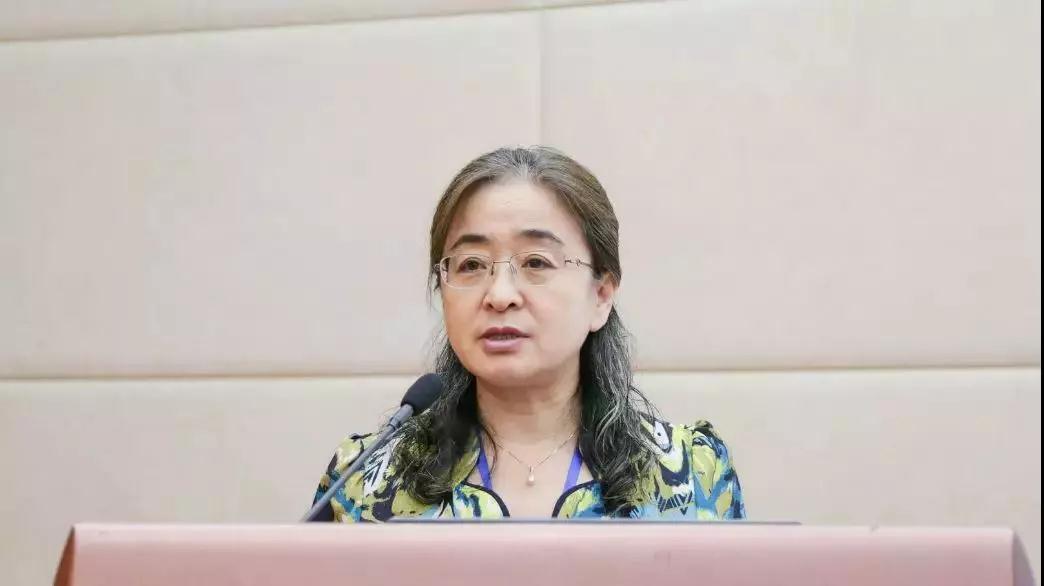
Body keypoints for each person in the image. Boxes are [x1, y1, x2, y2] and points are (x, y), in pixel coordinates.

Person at [311, 146, 745, 521]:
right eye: (471, 265)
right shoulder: (365, 480)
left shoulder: (690, 474)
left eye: (536, 262)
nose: (499, 295)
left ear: (601, 295)